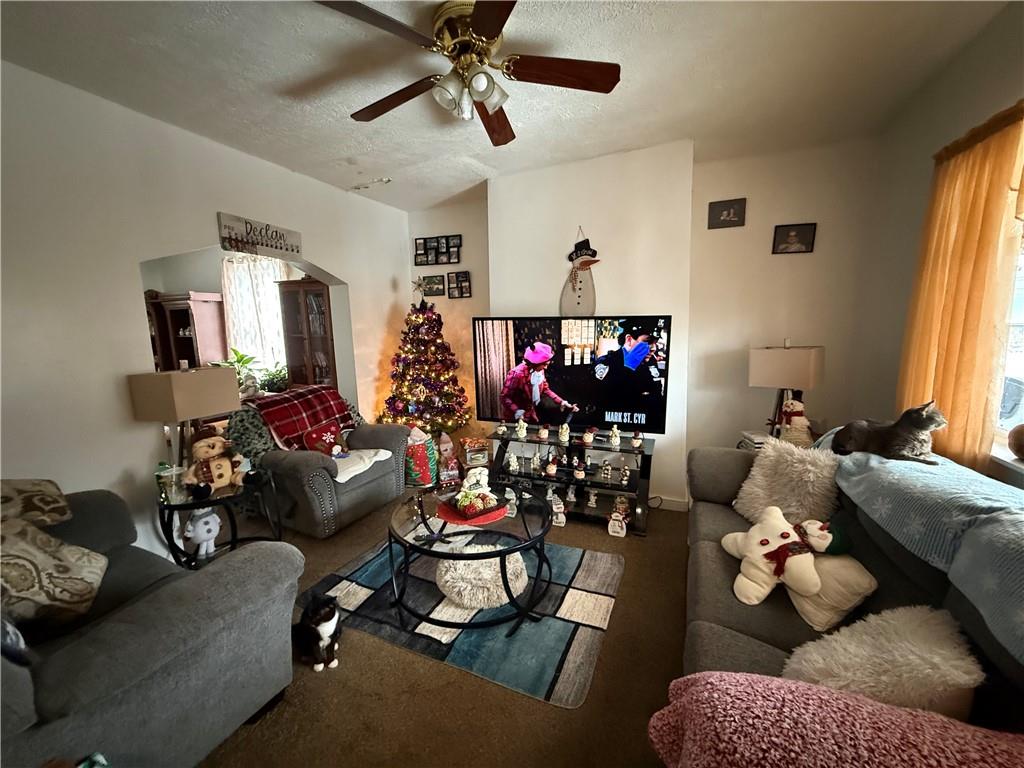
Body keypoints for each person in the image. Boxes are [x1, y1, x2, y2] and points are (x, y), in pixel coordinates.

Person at [593, 320, 664, 419]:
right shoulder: (606, 362)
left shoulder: (649, 362)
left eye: (655, 343)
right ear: (629, 339)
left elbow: (655, 395)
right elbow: (604, 399)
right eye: (648, 342)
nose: (653, 348)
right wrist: (628, 367)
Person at [500, 342, 579, 424]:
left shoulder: (540, 371)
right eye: (544, 364)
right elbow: (504, 397)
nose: (546, 367)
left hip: (530, 414)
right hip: (514, 418)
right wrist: (517, 410)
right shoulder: (516, 374)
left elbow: (545, 389)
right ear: (535, 363)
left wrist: (562, 402)